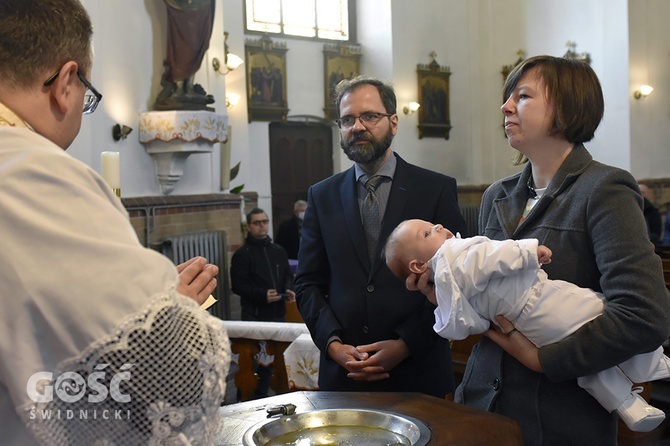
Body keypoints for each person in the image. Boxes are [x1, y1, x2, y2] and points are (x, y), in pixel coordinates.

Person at [0, 1, 231, 444]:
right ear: (65, 82)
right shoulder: (34, 172)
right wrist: (171, 310)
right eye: (87, 95)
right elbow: (155, 382)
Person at [408, 55, 670, 444]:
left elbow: (645, 316)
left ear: (566, 108)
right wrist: (443, 291)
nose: (505, 106)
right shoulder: (497, 195)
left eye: (523, 96)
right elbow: (489, 299)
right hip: (482, 401)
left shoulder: (604, 189)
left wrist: (542, 359)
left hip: (558, 415)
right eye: (508, 96)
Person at [386, 219, 670, 432]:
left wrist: (438, 299)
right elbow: (491, 258)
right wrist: (529, 251)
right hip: (538, 300)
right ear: (417, 266)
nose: (437, 226)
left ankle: (628, 405)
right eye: (427, 233)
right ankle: (648, 362)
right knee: (597, 307)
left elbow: (461, 326)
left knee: (586, 369)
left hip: (530, 330)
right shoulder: (452, 255)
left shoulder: (447, 288)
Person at [294, 76, 467, 397]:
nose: (357, 127)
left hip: (417, 370)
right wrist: (332, 345)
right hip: (345, 374)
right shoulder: (322, 195)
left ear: (394, 122)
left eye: (369, 116)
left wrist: (406, 344)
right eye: (347, 120)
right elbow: (307, 282)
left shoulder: (435, 188)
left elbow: (456, 279)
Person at [230, 208, 296, 399]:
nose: (262, 226)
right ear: (249, 226)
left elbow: (287, 276)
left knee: (274, 360)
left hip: (277, 313)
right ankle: (245, 398)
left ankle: (266, 397)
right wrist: (262, 295)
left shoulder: (278, 250)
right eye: (257, 222)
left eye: (265, 221)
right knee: (251, 361)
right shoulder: (243, 254)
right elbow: (238, 286)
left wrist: (289, 289)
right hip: (254, 313)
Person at [154, 0, 215, 111]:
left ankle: (189, 88)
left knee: (197, 47)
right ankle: (179, 89)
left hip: (201, 8)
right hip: (181, 8)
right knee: (182, 48)